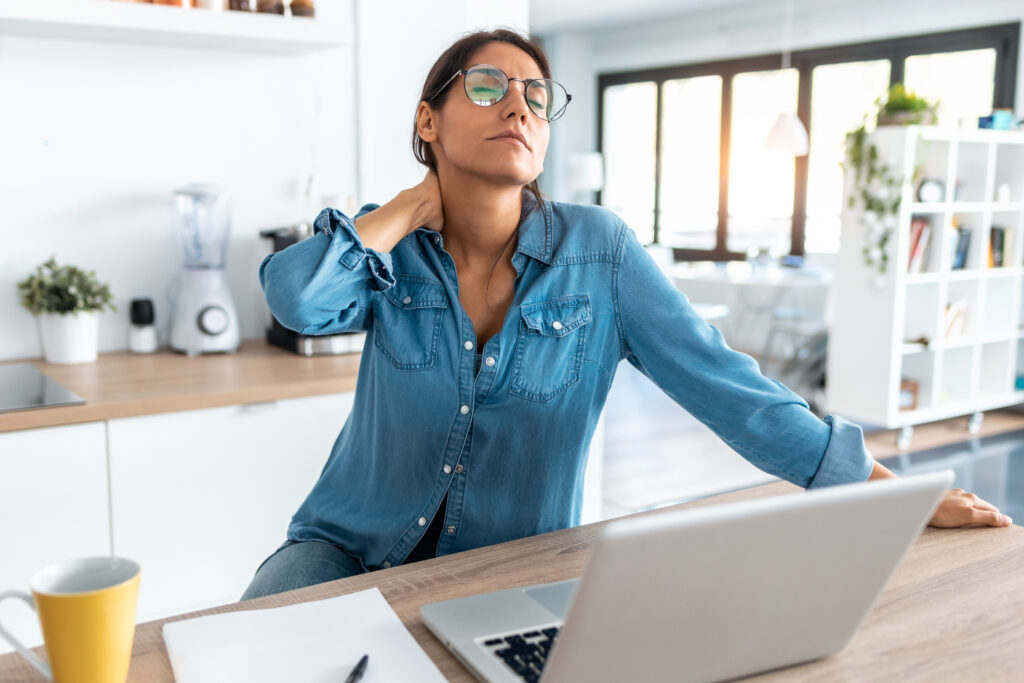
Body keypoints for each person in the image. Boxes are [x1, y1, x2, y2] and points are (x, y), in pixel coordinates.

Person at [240, 28, 1010, 601]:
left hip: (511, 574)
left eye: (536, 96)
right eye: (486, 87)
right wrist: (408, 207)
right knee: (245, 650)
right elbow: (298, 300)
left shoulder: (598, 254)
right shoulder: (389, 248)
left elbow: (729, 387)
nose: (518, 104)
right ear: (428, 122)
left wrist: (884, 489)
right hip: (347, 550)